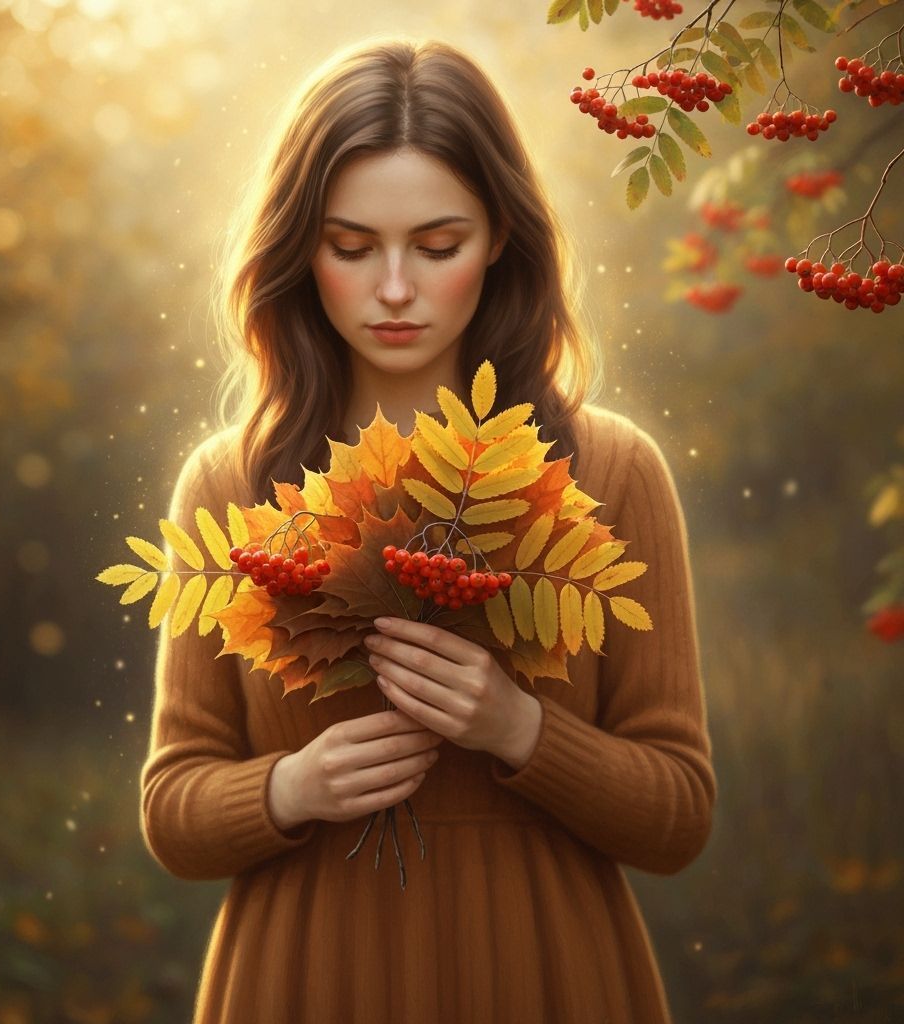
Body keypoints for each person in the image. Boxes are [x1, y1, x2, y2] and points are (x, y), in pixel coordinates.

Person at [139, 35, 716, 1024]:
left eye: (437, 246)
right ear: (299, 248)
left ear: (500, 238)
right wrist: (289, 789)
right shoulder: (231, 485)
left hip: (548, 974)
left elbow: (679, 817)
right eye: (352, 246)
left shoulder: (611, 473)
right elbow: (172, 810)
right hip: (302, 978)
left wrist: (519, 730)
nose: (396, 288)